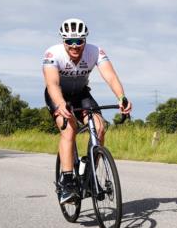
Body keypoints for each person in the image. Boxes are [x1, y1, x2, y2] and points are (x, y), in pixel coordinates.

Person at [43, 18, 132, 204]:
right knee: (69, 129)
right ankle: (67, 181)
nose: (74, 46)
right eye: (69, 42)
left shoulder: (95, 52)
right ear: (63, 41)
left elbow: (111, 77)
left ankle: (90, 175)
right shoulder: (52, 54)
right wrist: (60, 104)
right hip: (58, 95)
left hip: (81, 94)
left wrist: (121, 97)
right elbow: (52, 84)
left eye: (79, 42)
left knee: (99, 127)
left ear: (85, 40)